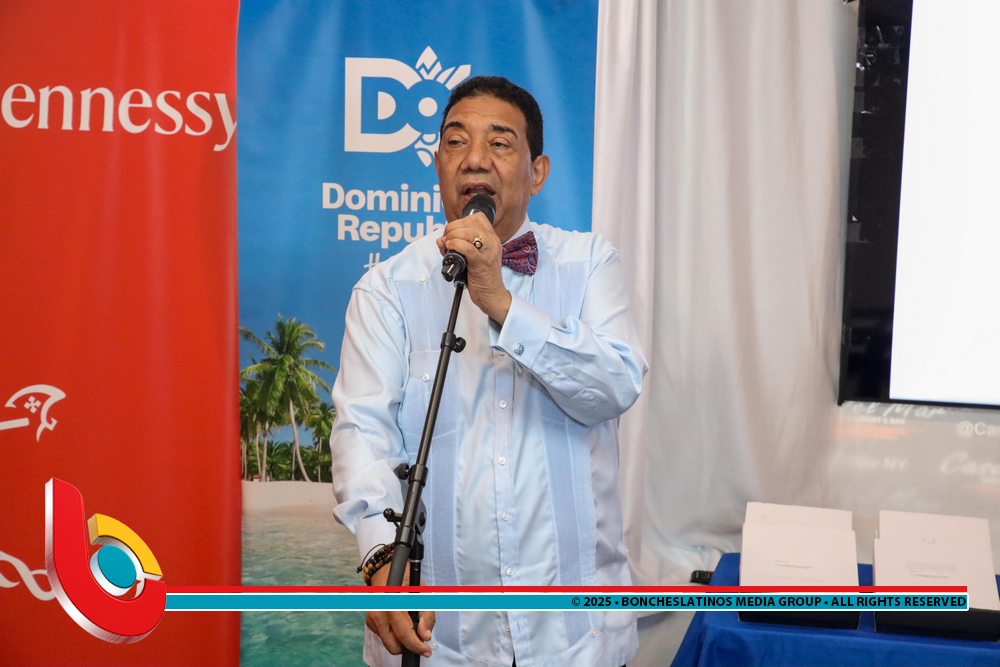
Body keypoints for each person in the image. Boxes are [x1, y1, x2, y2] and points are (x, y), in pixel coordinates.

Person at [331, 75, 647, 667]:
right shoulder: (387, 289)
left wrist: (500, 301)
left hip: (578, 642)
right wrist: (381, 560)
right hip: (439, 644)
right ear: (437, 165)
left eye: (499, 143)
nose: (474, 158)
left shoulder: (587, 264)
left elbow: (615, 385)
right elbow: (362, 434)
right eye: (456, 142)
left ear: (537, 172)